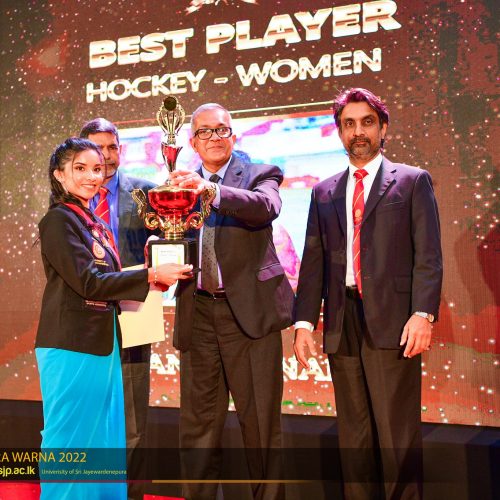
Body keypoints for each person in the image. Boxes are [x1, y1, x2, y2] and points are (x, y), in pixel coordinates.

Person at [293, 88, 442, 499]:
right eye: (349, 124)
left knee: (396, 436)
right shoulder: (324, 191)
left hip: (394, 323)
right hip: (342, 322)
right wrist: (304, 322)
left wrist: (423, 314)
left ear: (383, 128)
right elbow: (314, 262)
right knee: (353, 437)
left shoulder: (412, 181)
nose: (358, 131)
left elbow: (429, 255)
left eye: (367, 122)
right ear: (340, 132)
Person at [35, 137, 191, 500]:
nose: (92, 176)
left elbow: (108, 279)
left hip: (103, 345)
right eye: (80, 168)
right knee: (71, 441)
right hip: (71, 346)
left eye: (97, 169)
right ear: (59, 175)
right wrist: (150, 275)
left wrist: (151, 271)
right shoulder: (58, 220)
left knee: (103, 443)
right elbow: (89, 282)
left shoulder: (94, 223)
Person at [169, 103, 294, 500]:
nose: (214, 137)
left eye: (221, 129)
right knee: (198, 429)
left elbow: (265, 208)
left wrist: (211, 191)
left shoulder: (260, 174)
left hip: (249, 318)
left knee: (260, 430)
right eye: (205, 131)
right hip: (198, 313)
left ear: (233, 135)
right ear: (193, 142)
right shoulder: (180, 186)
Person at [80, 118, 157, 499]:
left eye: (113, 147)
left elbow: (168, 247)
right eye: (98, 148)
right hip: (85, 321)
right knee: (89, 418)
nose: (107, 156)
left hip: (135, 315)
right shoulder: (70, 202)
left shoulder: (147, 193)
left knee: (133, 423)